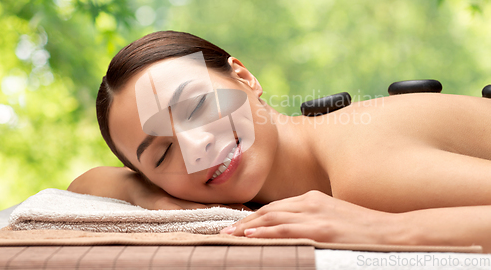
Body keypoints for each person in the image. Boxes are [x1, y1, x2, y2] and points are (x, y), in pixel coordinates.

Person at [68, 30, 491, 252]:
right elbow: (88, 181)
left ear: (245, 78)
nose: (197, 148)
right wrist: (156, 200)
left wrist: (388, 229)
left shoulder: (358, 167)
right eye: (162, 154)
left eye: (197, 107)